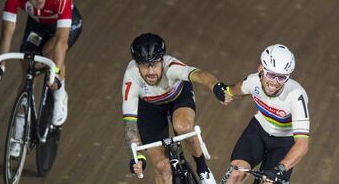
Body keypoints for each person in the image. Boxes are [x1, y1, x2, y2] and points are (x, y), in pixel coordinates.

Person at [0, 0, 82, 157]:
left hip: (64, 27)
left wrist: (55, 73)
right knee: (27, 67)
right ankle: (19, 129)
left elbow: (61, 43)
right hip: (38, 26)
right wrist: (0, 64)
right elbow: (7, 30)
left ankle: (61, 95)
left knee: (49, 51)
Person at [122, 33, 229, 184]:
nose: (151, 71)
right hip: (150, 107)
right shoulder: (130, 78)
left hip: (177, 97)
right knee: (161, 166)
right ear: (137, 64)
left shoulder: (171, 66)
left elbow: (198, 75)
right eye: (145, 65)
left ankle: (203, 169)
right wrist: (136, 157)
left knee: (183, 127)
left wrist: (215, 86)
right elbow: (130, 125)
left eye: (155, 64)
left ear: (162, 61)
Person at [221, 44, 310, 184]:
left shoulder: (296, 96)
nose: (274, 82)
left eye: (281, 78)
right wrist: (227, 92)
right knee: (235, 175)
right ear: (261, 70)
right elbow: (237, 88)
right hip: (258, 132)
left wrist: (280, 169)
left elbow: (302, 144)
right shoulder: (253, 81)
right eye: (271, 75)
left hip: (284, 144)